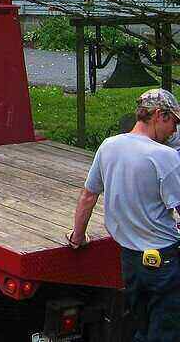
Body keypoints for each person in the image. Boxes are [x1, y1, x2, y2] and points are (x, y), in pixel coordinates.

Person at [68, 88, 180, 342]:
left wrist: (78, 236)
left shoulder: (109, 146)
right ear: (159, 115)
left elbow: (88, 196)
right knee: (167, 330)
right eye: (173, 122)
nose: (174, 131)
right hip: (163, 261)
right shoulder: (165, 157)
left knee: (141, 326)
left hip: (129, 260)